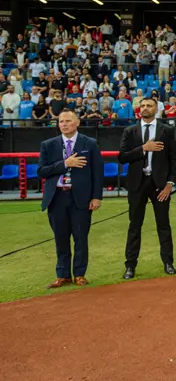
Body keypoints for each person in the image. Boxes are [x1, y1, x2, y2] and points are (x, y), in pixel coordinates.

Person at [38, 109, 103, 289]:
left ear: (77, 123)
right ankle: (63, 275)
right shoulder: (48, 145)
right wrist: (65, 164)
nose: (64, 124)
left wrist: (97, 197)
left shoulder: (89, 143)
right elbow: (41, 171)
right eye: (61, 121)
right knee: (61, 238)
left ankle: (80, 274)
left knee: (81, 237)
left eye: (68, 121)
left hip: (81, 199)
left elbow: (98, 172)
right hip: (56, 198)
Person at [118, 97, 176, 280]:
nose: (145, 108)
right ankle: (130, 265)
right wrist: (143, 148)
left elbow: (175, 160)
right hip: (137, 185)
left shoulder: (167, 130)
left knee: (163, 225)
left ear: (156, 109)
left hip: (160, 185)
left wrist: (170, 184)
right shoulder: (130, 131)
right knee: (134, 226)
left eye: (149, 105)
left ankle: (168, 262)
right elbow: (122, 157)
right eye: (142, 105)